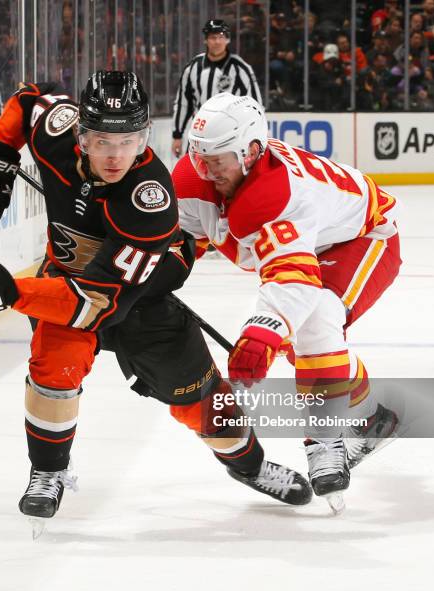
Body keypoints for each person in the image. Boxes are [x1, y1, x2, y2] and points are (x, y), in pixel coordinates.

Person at [0, 71, 312, 523]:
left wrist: (5, 290)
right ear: (80, 134)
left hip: (133, 295)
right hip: (65, 279)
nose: (115, 155)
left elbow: (94, 303)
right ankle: (49, 471)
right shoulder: (55, 130)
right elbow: (27, 102)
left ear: (145, 136)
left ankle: (250, 465)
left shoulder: (150, 200)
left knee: (199, 397)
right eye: (103, 141)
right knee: (55, 367)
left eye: (129, 140)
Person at [171, 92, 401, 506]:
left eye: (216, 160)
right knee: (310, 353)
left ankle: (326, 442)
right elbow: (183, 237)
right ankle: (373, 420)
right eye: (198, 156)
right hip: (312, 242)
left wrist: (261, 333)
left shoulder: (278, 192)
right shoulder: (193, 177)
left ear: (252, 152)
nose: (204, 169)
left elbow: (293, 277)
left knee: (316, 321)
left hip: (360, 237)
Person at [171, 19, 262, 159]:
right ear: (206, 40)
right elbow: (184, 103)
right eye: (213, 37)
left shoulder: (241, 69)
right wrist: (177, 135)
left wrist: (258, 136)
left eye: (221, 37)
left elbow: (255, 105)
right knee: (193, 177)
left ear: (227, 40)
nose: (217, 41)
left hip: (229, 137)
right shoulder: (193, 67)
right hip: (198, 136)